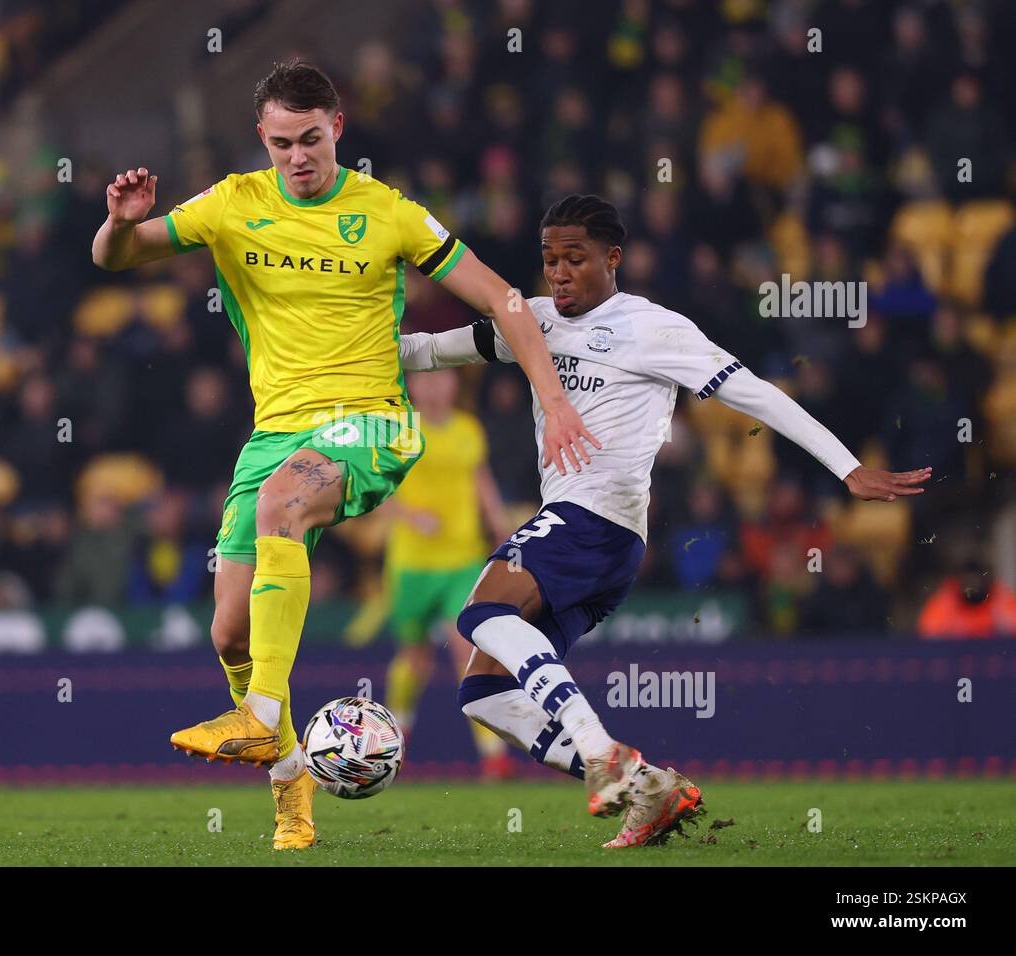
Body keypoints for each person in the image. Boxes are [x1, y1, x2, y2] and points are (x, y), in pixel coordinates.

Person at [92, 61, 594, 849]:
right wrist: (122, 221)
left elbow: (501, 299)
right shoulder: (232, 203)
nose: (298, 156)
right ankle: (291, 782)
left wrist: (554, 401)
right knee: (229, 631)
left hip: (371, 424)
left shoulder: (386, 212)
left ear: (339, 128)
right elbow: (113, 260)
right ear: (263, 138)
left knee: (282, 504)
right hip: (276, 436)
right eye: (283, 142)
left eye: (313, 139)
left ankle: (258, 714)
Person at [400, 194, 931, 847]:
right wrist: (325, 355)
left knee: (482, 611)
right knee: (482, 694)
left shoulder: (654, 328)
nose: (559, 272)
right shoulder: (531, 321)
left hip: (596, 519)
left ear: (612, 259)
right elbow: (423, 352)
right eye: (549, 261)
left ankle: (603, 753)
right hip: (593, 539)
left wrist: (846, 467)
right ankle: (649, 787)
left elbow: (757, 395)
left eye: (574, 258)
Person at [380, 369, 515, 778]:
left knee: (468, 648)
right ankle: (394, 740)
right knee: (414, 657)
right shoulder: (401, 432)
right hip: (412, 564)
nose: (435, 386)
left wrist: (501, 526)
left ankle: (493, 755)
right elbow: (376, 490)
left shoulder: (468, 429)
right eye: (426, 379)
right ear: (414, 386)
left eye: (442, 378)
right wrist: (410, 515)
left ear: (455, 383)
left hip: (461, 560)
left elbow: (481, 481)